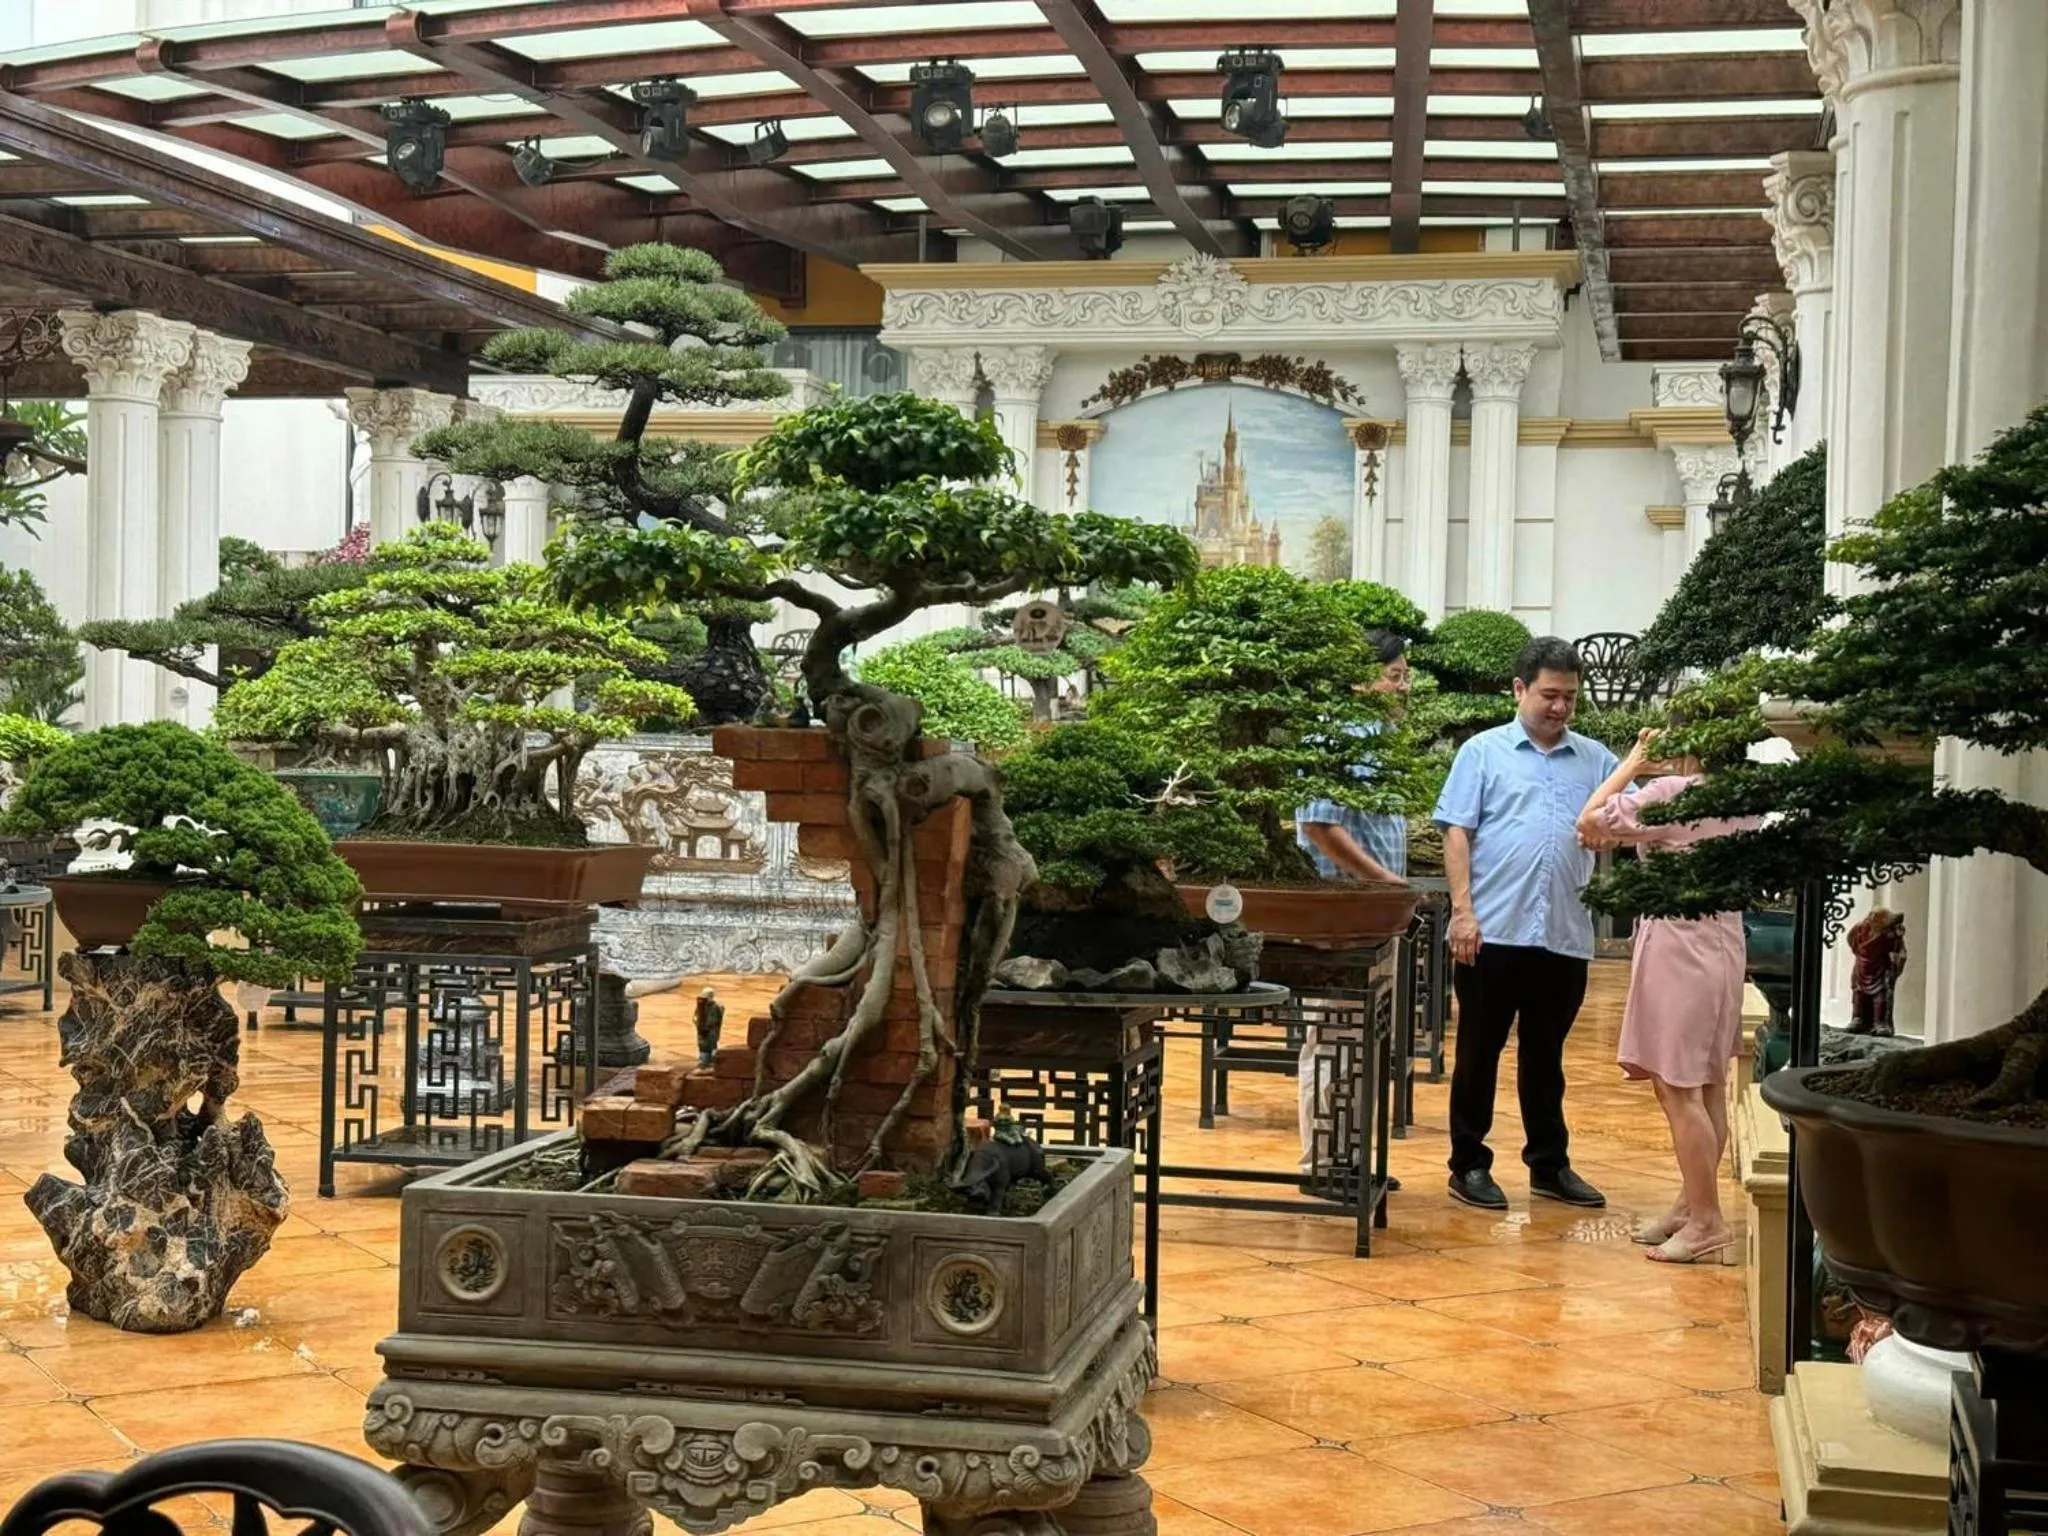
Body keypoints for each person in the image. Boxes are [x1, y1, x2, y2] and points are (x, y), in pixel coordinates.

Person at [1432, 637, 1617, 1211]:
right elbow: (1457, 832)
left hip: (1563, 932)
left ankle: (1548, 1165)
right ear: (1520, 689)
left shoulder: (1597, 760)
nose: (1560, 707)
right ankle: (1468, 1164)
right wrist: (1463, 912)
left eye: (1570, 697)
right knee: (1478, 1053)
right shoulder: (1482, 753)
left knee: (1546, 1058)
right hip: (1492, 931)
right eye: (1549, 695)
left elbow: (1631, 816)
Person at [1578, 729, 1759, 1264]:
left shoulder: (1672, 794)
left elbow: (1588, 821)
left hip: (1679, 946)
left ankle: (1706, 1220)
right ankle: (1690, 1205)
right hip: (1724, 944)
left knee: (1679, 1088)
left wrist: (1633, 764)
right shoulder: (1745, 800)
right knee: (1705, 1083)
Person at [1293, 630, 1411, 1191]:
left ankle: (1350, 1159)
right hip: (1344, 915)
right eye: (1394, 675)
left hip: (1375, 914)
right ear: (1360, 681)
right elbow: (1318, 823)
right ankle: (1324, 1166)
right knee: (1335, 1039)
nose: (1403, 686)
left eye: (1405, 676)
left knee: (1362, 1042)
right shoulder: (1335, 735)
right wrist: (1384, 880)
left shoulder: (1380, 740)